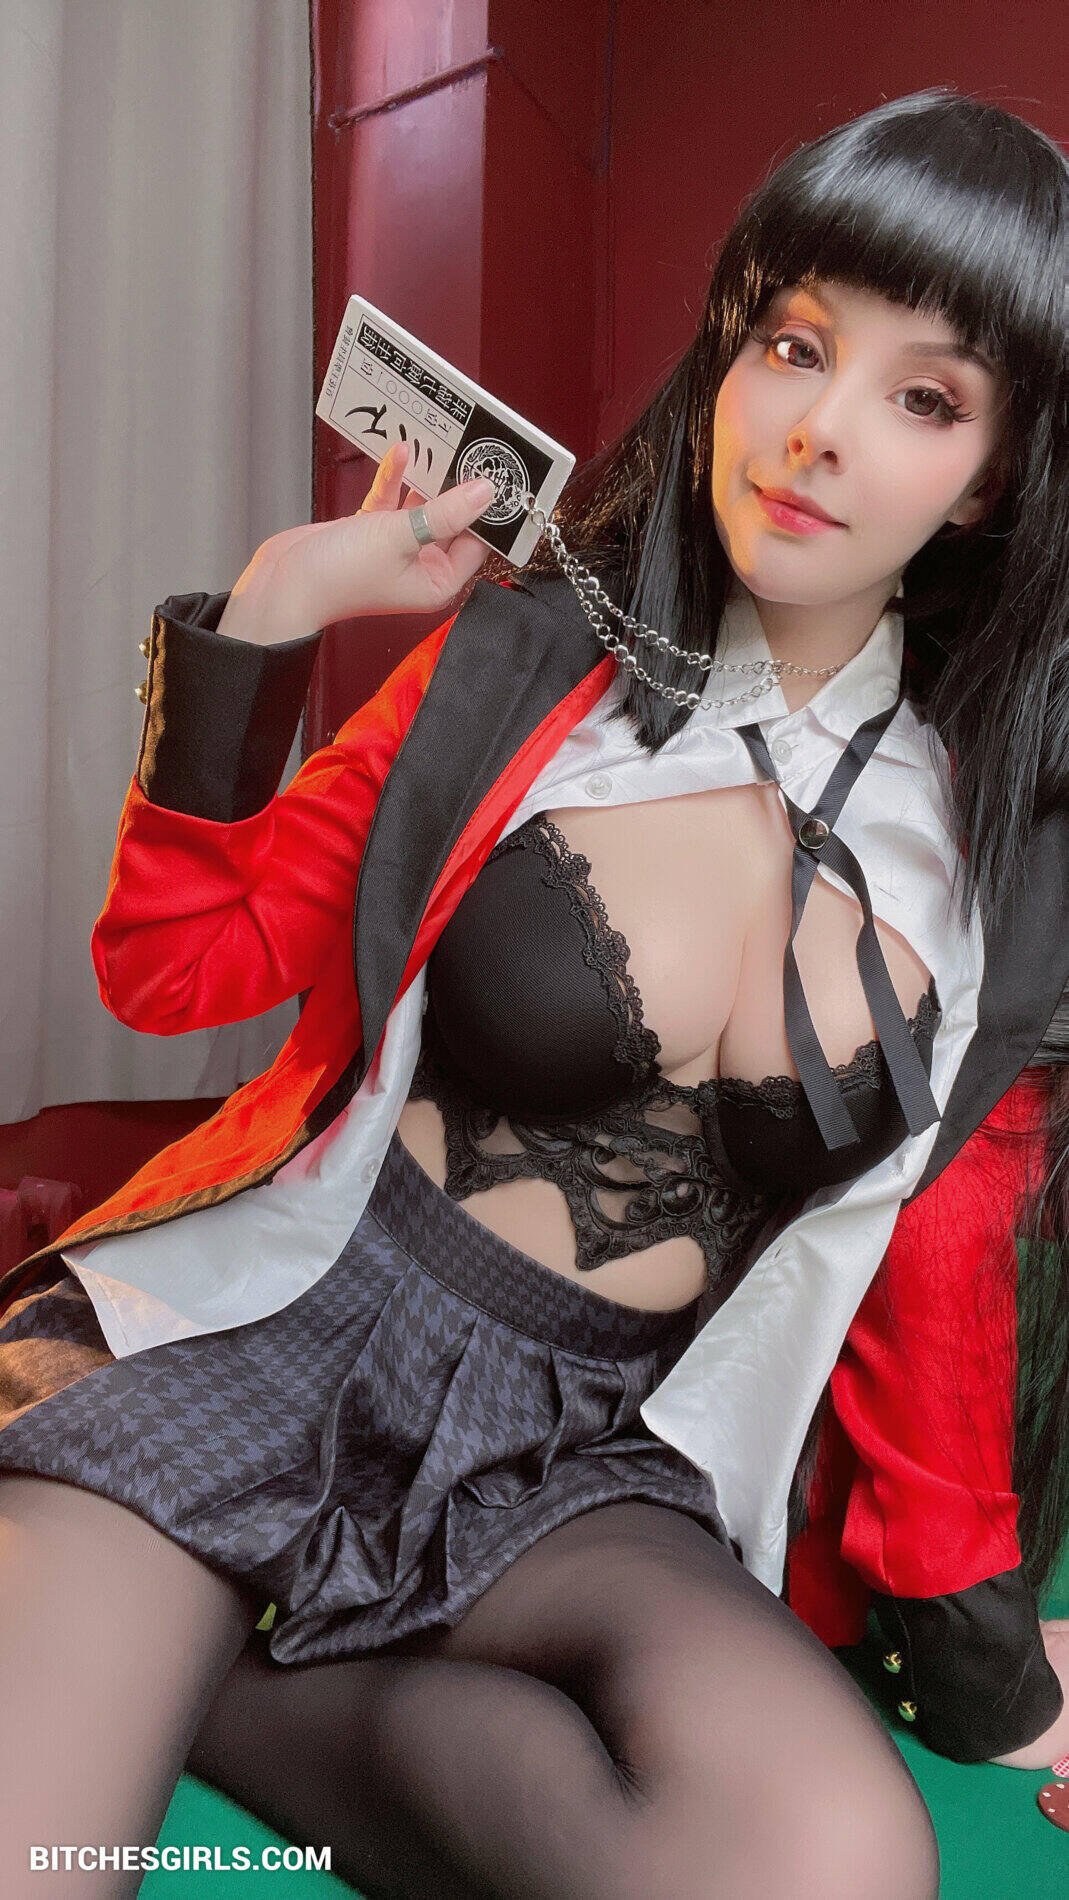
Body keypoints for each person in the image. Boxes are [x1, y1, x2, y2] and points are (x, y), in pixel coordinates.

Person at [1, 84, 1066, 1899]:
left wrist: (1000, 1686)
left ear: (987, 483)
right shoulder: (529, 669)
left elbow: (933, 1281)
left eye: (922, 397)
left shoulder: (991, 868)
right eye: (794, 344)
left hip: (581, 1454)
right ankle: (170, 1605)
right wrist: (273, 613)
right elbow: (174, 965)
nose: (816, 432)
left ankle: (243, 1686)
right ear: (726, 356)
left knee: (823, 1860)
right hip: (264, 1326)